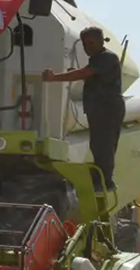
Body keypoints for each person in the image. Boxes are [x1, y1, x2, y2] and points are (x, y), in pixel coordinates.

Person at [43, 26, 125, 190]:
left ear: (102, 41)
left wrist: (54, 78)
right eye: (85, 44)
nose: (88, 47)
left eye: (91, 43)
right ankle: (102, 178)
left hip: (107, 109)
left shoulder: (105, 57)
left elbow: (83, 74)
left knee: (103, 144)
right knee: (98, 144)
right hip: (102, 108)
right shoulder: (98, 59)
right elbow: (89, 75)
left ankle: (105, 181)